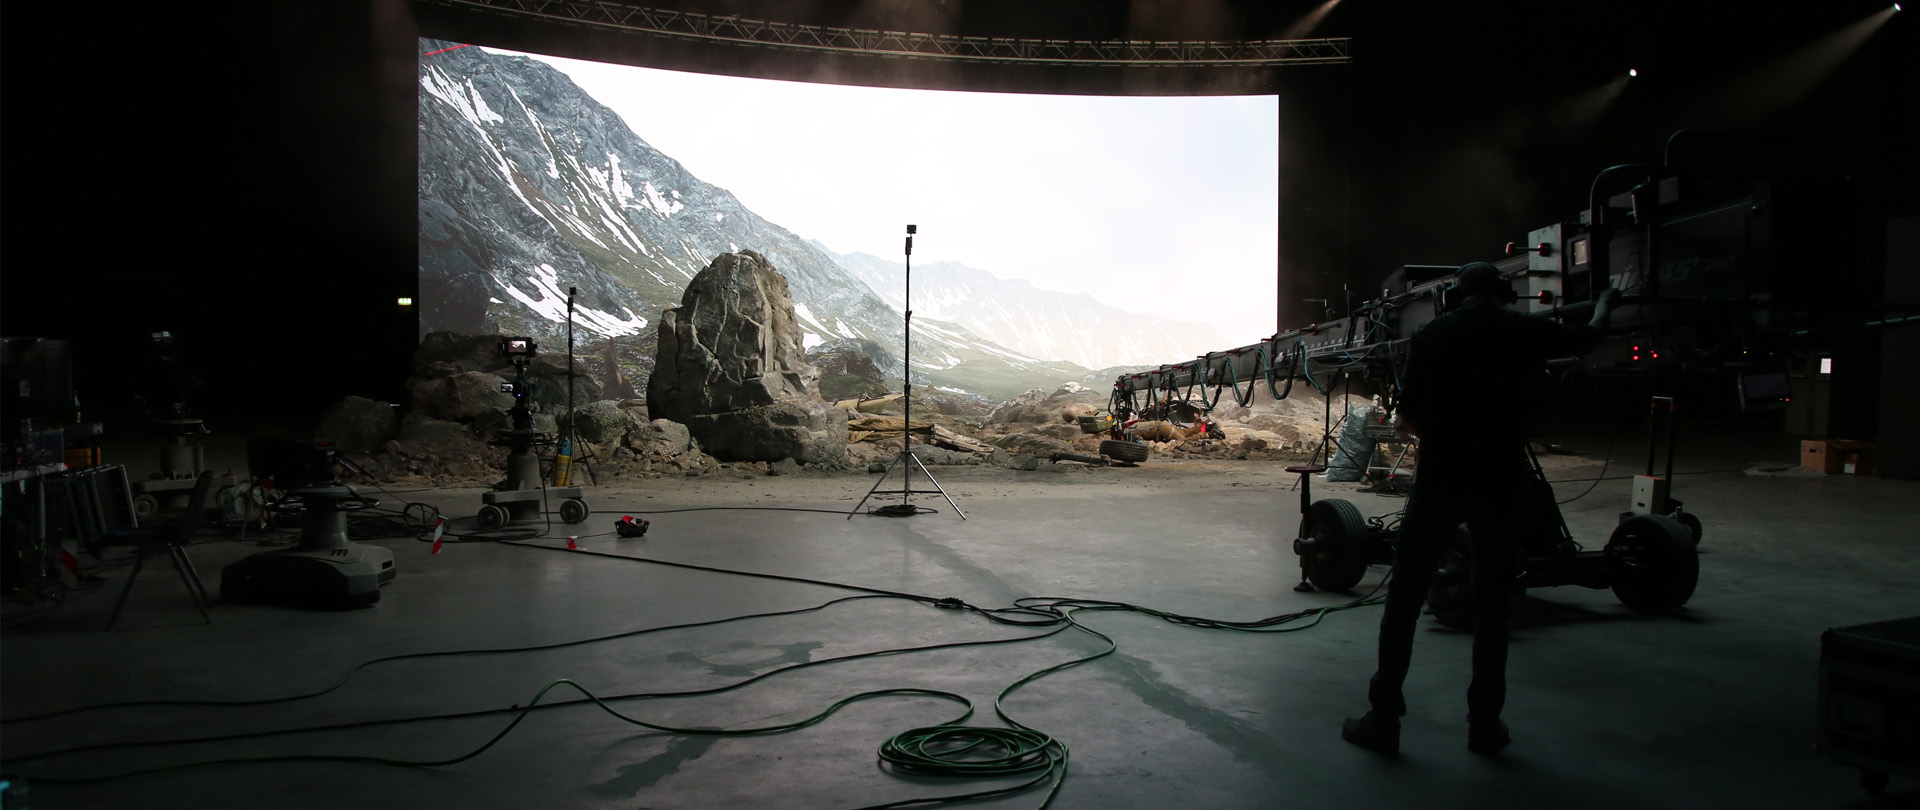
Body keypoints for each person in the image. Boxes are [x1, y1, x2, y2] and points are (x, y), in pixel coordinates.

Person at [1341, 261, 1619, 756]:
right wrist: (1605, 303)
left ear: (1456, 296)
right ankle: (1485, 725)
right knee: (1491, 604)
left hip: (1441, 479)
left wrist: (1441, 440)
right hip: (1499, 480)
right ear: (1505, 293)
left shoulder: (1433, 334)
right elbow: (1590, 336)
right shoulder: (1523, 330)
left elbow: (1408, 413)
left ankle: (1383, 720)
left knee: (1404, 599)